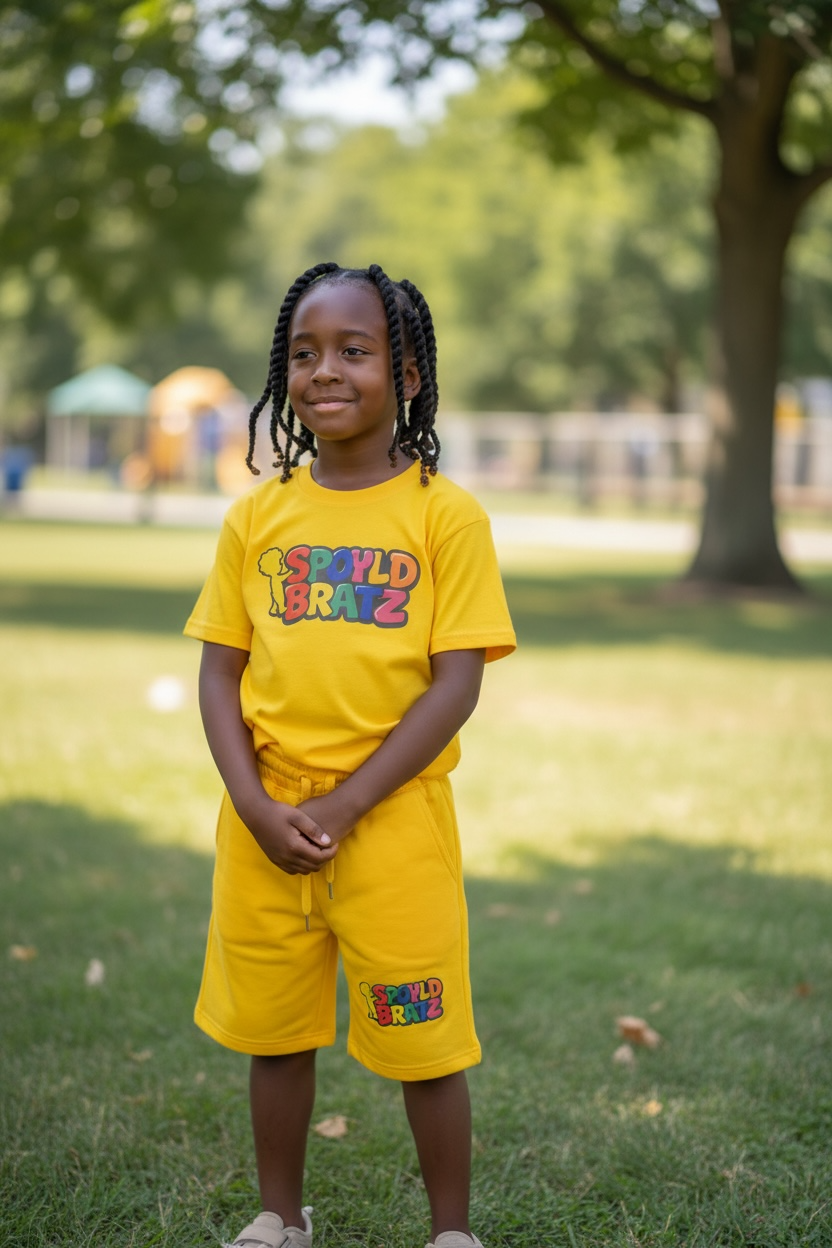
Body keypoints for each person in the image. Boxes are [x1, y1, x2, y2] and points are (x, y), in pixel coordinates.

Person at [184, 262, 516, 1248]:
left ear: (406, 372)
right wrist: (253, 804)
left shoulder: (442, 515)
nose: (325, 370)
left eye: (354, 351)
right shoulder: (257, 514)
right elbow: (217, 675)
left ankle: (450, 1230)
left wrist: (347, 804)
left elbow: (454, 685)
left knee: (424, 1042)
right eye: (303, 353)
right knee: (275, 1034)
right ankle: (280, 1214)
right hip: (265, 825)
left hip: (393, 828)